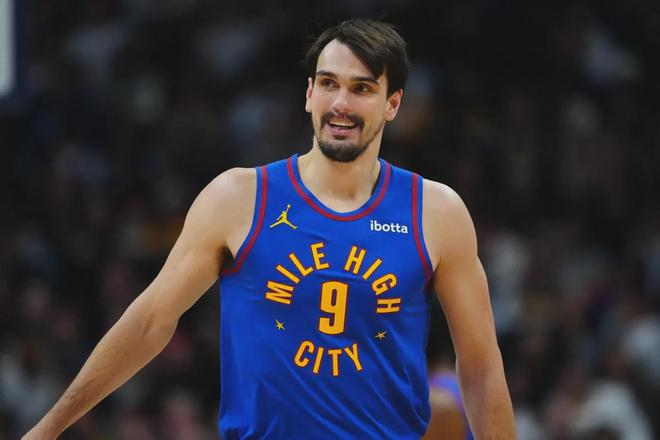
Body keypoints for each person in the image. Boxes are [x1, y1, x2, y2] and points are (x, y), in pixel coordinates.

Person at [24, 19, 515, 439]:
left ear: (393, 103)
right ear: (309, 93)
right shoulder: (239, 197)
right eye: (329, 83)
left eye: (362, 88)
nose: (341, 103)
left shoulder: (435, 211)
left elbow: (480, 366)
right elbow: (150, 321)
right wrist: (48, 429)